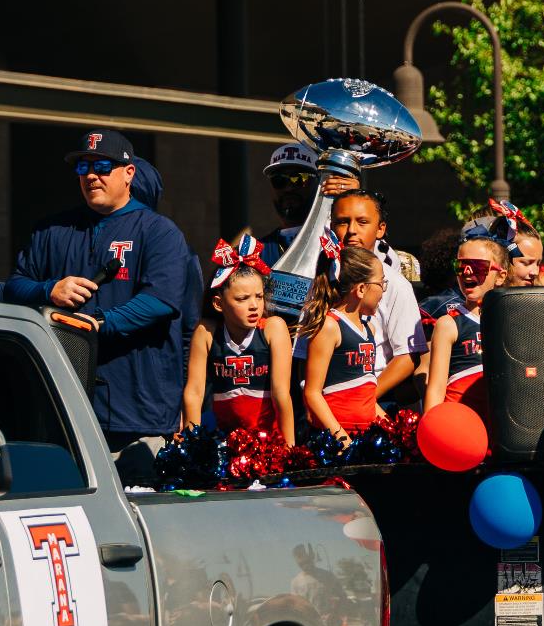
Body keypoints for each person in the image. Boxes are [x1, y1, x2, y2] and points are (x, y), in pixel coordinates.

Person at [0, 126, 199, 447]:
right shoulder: (53, 229)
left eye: (103, 167)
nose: (92, 176)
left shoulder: (159, 232)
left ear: (128, 173)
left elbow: (160, 302)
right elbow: (18, 288)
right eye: (84, 167)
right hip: (65, 404)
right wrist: (43, 290)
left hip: (138, 411)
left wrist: (95, 326)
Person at [181, 237, 296, 445]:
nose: (254, 306)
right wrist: (191, 447)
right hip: (226, 442)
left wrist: (290, 449)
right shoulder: (206, 332)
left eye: (259, 297)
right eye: (242, 299)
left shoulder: (273, 328)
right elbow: (194, 393)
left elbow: (281, 394)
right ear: (218, 303)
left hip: (269, 441)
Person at [314, 188, 424, 401]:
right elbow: (303, 353)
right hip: (325, 400)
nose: (352, 230)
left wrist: (365, 401)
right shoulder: (320, 278)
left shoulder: (396, 284)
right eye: (342, 222)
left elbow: (408, 356)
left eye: (362, 222)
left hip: (376, 398)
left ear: (380, 229)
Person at [299, 237, 385, 443]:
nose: (383, 289)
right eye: (381, 283)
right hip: (336, 441)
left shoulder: (369, 328)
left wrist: (390, 428)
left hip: (364, 438)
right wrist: (341, 438)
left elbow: (367, 395)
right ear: (362, 289)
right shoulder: (330, 326)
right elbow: (312, 393)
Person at [423, 234, 507, 416]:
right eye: (461, 266)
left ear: (500, 276)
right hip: (460, 425)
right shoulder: (448, 323)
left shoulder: (512, 320)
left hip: (502, 429)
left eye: (478, 266)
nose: (468, 272)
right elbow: (436, 390)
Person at [256, 144, 359, 263]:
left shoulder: (343, 238)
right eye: (278, 180)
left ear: (322, 182)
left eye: (301, 179)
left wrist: (355, 201)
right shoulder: (252, 253)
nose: (289, 188)